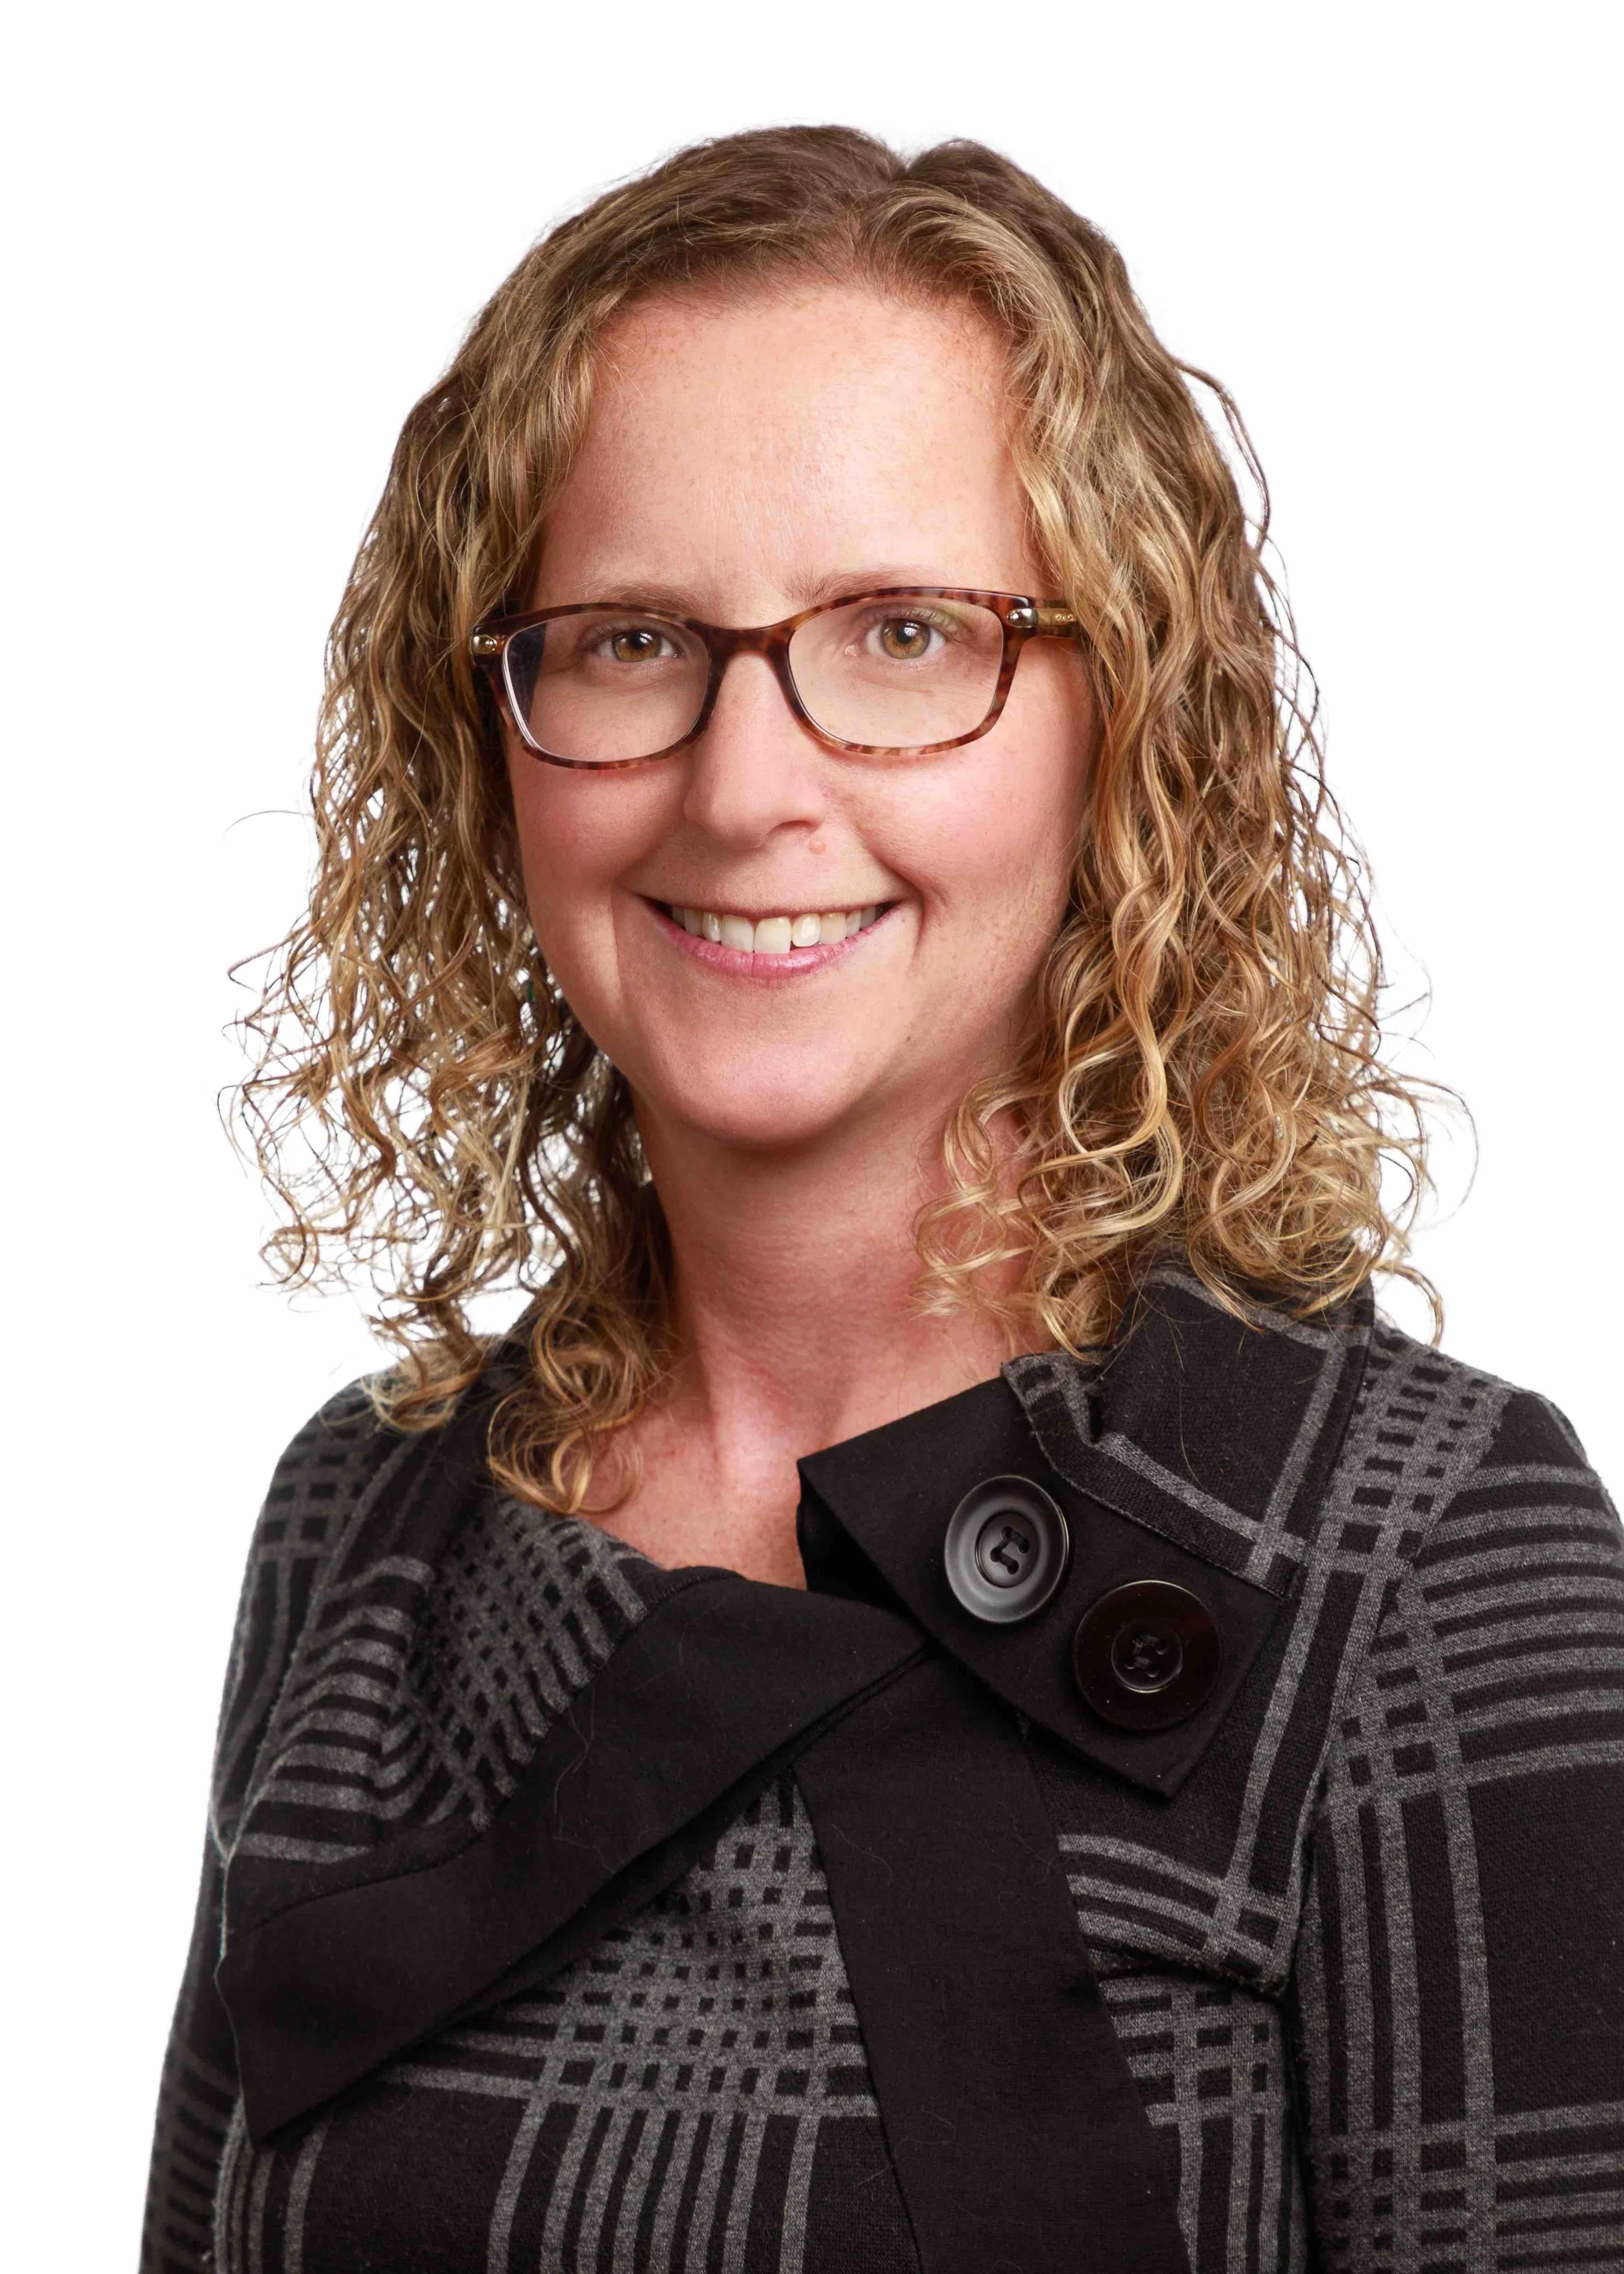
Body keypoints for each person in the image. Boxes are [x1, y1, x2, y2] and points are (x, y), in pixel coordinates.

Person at [140, 127, 1624, 2274]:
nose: (747, 785)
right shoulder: (355, 1525)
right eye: (635, 637)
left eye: (905, 634)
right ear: (493, 732)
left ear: (1121, 726)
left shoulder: (1422, 1562)